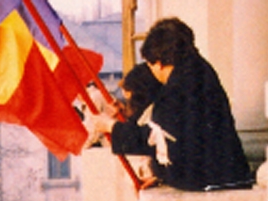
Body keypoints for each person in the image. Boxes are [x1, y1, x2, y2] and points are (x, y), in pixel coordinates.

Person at [94, 17, 253, 192]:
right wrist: (163, 174)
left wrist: (111, 127)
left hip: (214, 184)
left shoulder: (180, 86)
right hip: (224, 176)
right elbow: (182, 143)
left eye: (150, 65)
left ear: (159, 63)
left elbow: (155, 137)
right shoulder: (195, 72)